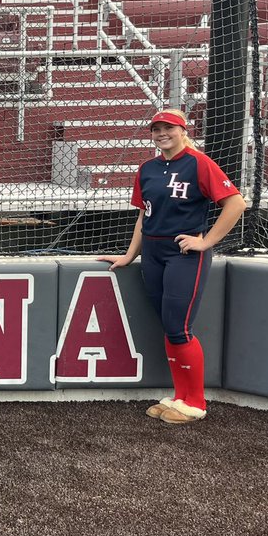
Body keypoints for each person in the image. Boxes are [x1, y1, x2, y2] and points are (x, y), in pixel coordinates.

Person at [98, 108, 246, 424]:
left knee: (179, 328)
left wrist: (206, 242)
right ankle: (180, 397)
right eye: (156, 129)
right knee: (170, 326)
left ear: (182, 131)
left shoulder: (198, 162)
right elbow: (143, 215)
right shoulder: (148, 168)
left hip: (183, 254)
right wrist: (129, 255)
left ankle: (195, 403)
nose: (162, 133)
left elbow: (236, 203)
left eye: (169, 128)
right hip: (152, 252)